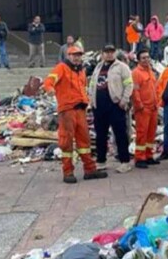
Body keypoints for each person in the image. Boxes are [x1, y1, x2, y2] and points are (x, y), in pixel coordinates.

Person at [43, 45, 107, 183]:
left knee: (84, 140)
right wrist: (49, 89)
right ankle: (68, 172)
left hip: (80, 109)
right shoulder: (61, 68)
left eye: (79, 55)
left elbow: (82, 87)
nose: (77, 57)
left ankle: (90, 169)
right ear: (68, 56)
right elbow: (49, 81)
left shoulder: (81, 70)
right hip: (67, 110)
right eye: (74, 55)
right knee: (66, 141)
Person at [88, 45, 133, 173]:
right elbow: (92, 84)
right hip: (99, 107)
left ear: (115, 53)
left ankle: (125, 161)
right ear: (102, 54)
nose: (109, 54)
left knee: (120, 135)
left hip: (115, 106)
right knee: (100, 135)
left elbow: (129, 84)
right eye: (106, 52)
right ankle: (101, 161)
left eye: (111, 52)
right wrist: (91, 100)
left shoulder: (122, 67)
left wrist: (124, 100)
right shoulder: (98, 67)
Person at [131, 49, 159, 168]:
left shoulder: (151, 71)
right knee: (142, 133)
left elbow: (155, 88)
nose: (146, 60)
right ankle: (139, 157)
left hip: (153, 107)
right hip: (143, 108)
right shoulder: (136, 73)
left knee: (151, 133)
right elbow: (135, 91)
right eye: (143, 58)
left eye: (147, 57)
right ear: (138, 60)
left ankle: (148, 155)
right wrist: (139, 105)